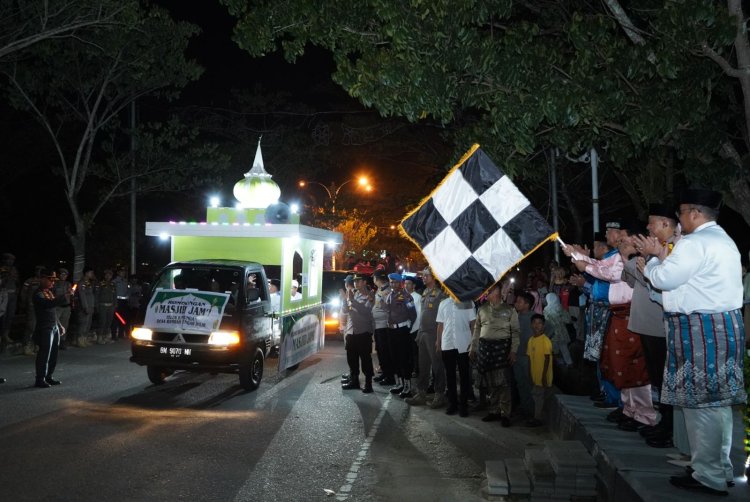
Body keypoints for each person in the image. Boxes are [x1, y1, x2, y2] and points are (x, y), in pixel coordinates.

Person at [643, 188, 746, 496]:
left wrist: (651, 260)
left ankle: (709, 475)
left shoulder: (696, 243)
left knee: (703, 405)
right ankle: (719, 469)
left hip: (700, 329)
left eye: (681, 213)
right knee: (717, 405)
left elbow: (663, 279)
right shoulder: (723, 240)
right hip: (721, 326)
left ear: (695, 214)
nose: (679, 219)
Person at [470, 280, 518, 426]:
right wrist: (473, 348)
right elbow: (477, 330)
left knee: (503, 383)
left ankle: (505, 414)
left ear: (496, 291)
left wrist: (513, 351)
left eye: (489, 291)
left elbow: (515, 332)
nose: (486, 293)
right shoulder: (482, 309)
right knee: (490, 381)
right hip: (485, 349)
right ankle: (494, 410)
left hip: (502, 349)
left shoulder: (510, 310)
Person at [405, 267, 448, 408]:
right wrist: (419, 333)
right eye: (423, 275)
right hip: (423, 333)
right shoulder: (424, 292)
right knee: (422, 365)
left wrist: (439, 339)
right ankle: (421, 393)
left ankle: (439, 394)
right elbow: (423, 314)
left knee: (437, 366)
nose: (423, 278)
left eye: (426, 275)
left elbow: (443, 318)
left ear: (434, 277)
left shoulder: (441, 294)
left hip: (434, 334)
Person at [437, 296, 476, 417]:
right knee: (450, 375)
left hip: (464, 344)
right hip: (447, 343)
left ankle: (463, 405)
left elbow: (473, 323)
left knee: (464, 376)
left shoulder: (468, 302)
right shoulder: (443, 303)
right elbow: (440, 325)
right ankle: (452, 404)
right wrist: (438, 342)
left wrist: (474, 343)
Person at [32, 269, 71, 388]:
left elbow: (53, 311)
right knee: (45, 353)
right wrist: (65, 296)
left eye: (54, 280)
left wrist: (59, 325)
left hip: (53, 326)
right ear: (43, 279)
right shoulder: (38, 293)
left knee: (53, 353)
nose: (52, 283)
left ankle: (49, 376)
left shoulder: (49, 292)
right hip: (45, 327)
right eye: (50, 280)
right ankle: (40, 378)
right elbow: (48, 304)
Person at [340, 274, 376, 393]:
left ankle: (368, 383)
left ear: (365, 282)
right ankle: (354, 381)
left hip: (363, 331)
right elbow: (347, 311)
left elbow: (366, 311)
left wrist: (352, 301)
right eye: (354, 281)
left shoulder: (370, 295)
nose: (355, 283)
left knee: (365, 359)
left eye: (359, 281)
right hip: (352, 331)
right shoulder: (354, 294)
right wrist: (345, 300)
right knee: (352, 358)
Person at [385, 272, 417, 397]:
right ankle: (399, 383)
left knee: (404, 359)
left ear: (400, 283)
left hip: (402, 331)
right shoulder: (389, 296)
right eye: (391, 282)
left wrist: (407, 327)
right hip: (391, 330)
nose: (393, 284)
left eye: (395, 282)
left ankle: (407, 386)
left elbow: (413, 314)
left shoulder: (406, 296)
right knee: (394, 358)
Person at [526, 314, 553, 427]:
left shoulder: (545, 340)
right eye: (535, 323)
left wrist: (543, 376)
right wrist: (530, 373)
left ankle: (538, 419)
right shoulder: (531, 340)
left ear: (543, 326)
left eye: (540, 323)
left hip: (542, 375)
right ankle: (538, 417)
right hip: (535, 375)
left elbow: (547, 359)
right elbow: (529, 358)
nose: (537, 325)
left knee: (539, 397)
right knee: (536, 396)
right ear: (531, 325)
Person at [512, 291, 536, 418]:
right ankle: (525, 409)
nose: (516, 303)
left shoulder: (535, 318)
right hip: (517, 355)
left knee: (529, 384)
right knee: (521, 383)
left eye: (520, 301)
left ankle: (532, 412)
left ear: (527, 304)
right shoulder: (515, 317)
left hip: (529, 357)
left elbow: (550, 329)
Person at [371, 271, 395, 386]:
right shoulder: (380, 289)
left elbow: (388, 307)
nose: (373, 280)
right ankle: (384, 373)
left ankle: (390, 376)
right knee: (380, 351)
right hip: (377, 325)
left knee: (385, 352)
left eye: (374, 278)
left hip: (383, 325)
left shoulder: (387, 290)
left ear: (377, 278)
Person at [0, 252, 19, 350]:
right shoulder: (2, 268)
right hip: (4, 294)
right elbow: (2, 282)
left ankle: (6, 334)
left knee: (10, 315)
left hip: (13, 294)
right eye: (9, 259)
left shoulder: (14, 269)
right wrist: (7, 275)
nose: (11, 262)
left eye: (12, 260)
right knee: (3, 315)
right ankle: (1, 334)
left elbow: (17, 281)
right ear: (5, 260)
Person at [53, 268, 73, 349]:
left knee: (65, 325)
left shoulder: (68, 284)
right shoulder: (54, 284)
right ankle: (54, 341)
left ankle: (62, 341)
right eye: (62, 274)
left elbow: (71, 295)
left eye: (65, 275)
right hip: (57, 307)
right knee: (56, 325)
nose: (63, 276)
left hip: (66, 307)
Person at [95, 269, 116, 344]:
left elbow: (114, 295)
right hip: (102, 305)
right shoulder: (100, 284)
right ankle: (99, 337)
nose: (108, 276)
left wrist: (114, 305)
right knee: (102, 322)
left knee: (109, 322)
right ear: (104, 275)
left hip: (111, 306)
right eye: (106, 274)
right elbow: (97, 295)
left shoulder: (113, 284)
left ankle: (106, 337)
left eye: (110, 275)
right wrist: (97, 306)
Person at [112, 267, 129, 340]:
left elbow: (128, 290)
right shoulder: (114, 281)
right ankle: (114, 335)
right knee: (116, 319)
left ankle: (121, 334)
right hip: (117, 302)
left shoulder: (126, 281)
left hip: (124, 302)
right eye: (121, 272)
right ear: (118, 273)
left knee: (123, 319)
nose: (123, 273)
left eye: (124, 272)